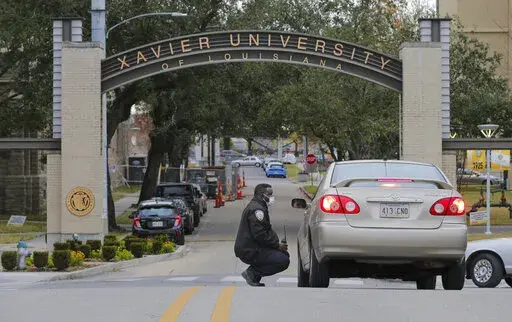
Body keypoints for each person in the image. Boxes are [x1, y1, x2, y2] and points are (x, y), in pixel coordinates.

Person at [234, 183, 289, 287]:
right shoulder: (257, 210)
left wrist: (277, 245)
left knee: (284, 255)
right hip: (250, 250)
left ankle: (254, 276)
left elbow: (265, 231)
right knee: (283, 260)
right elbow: (259, 234)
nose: (272, 198)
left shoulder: (259, 206)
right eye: (270, 194)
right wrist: (277, 246)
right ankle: (252, 273)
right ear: (262, 195)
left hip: (254, 248)